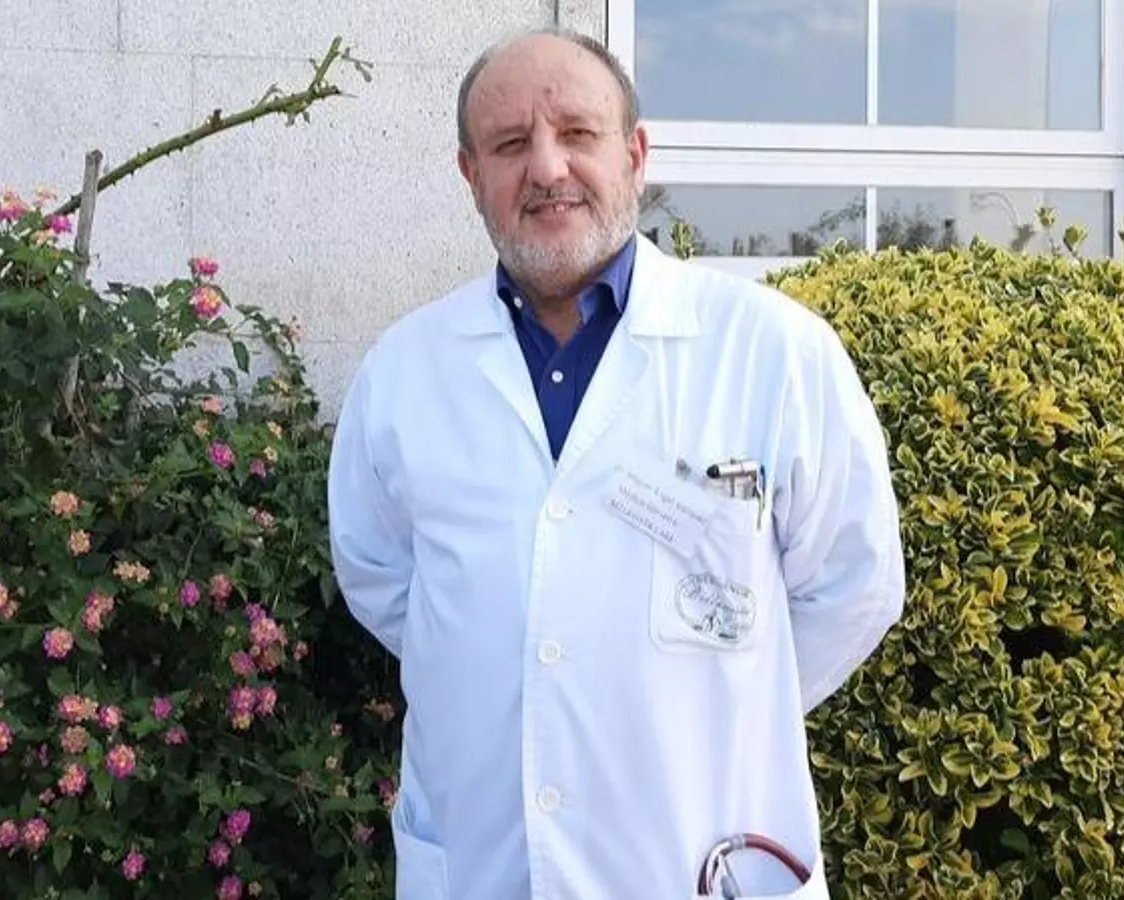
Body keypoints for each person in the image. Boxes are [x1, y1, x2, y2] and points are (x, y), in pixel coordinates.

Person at [326, 25, 905, 900]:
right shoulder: (404, 373)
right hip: (481, 864)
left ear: (634, 155)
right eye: (510, 144)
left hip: (700, 859)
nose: (547, 167)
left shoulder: (775, 353)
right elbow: (383, 578)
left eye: (578, 133)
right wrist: (522, 664)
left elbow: (854, 585)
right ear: (470, 176)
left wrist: (712, 707)